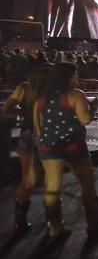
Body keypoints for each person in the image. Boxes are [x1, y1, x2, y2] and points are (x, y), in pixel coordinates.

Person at [33, 61, 98, 238]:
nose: (77, 78)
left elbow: (38, 127)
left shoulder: (41, 97)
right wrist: (95, 106)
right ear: (68, 77)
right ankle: (94, 225)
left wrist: (42, 145)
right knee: (87, 186)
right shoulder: (75, 95)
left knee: (52, 187)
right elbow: (85, 120)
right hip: (73, 147)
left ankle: (55, 227)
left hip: (48, 147)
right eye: (75, 75)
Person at [3, 64, 50, 234]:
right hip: (47, 138)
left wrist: (21, 111)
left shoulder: (23, 88)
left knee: (26, 177)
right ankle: (52, 218)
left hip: (27, 134)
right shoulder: (52, 91)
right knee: (50, 176)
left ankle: (20, 221)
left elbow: (7, 107)